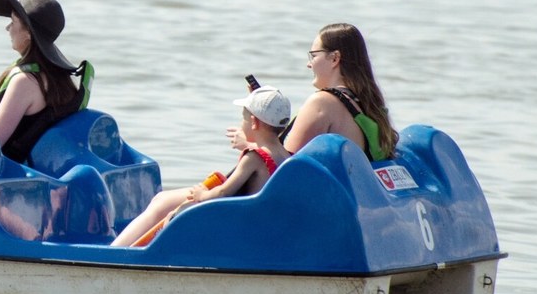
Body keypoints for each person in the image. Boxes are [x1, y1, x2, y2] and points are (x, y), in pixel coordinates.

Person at [111, 86, 293, 247]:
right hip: (264, 224)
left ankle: (125, 254)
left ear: (254, 122)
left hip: (243, 226)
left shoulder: (255, 157)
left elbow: (224, 192)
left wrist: (203, 195)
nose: (241, 121)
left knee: (174, 215)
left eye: (243, 116)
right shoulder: (288, 156)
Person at [0, 0, 92, 164]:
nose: (7, 28)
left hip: (3, 175)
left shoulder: (25, 82)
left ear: (29, 34)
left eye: (13, 21)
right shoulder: (58, 77)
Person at [280, 23, 397, 162]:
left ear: (335, 58)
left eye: (314, 56)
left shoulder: (321, 103)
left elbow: (286, 163)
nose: (309, 64)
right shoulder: (368, 105)